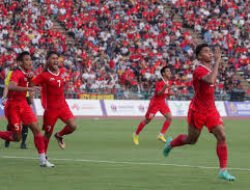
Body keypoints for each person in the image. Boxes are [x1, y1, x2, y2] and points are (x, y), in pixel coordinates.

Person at [163, 44, 235, 181]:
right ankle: (170, 144)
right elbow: (211, 80)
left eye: (210, 51)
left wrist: (217, 63)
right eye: (206, 51)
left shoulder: (209, 68)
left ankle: (223, 170)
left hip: (211, 110)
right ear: (199, 56)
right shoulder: (199, 71)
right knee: (191, 140)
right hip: (198, 110)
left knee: (222, 136)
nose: (210, 53)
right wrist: (218, 61)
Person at [0, 51, 54, 167]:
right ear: (20, 62)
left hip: (24, 105)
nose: (29, 62)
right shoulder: (16, 73)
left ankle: (43, 160)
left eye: (30, 59)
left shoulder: (29, 73)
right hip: (13, 107)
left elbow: (31, 85)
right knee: (16, 137)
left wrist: (32, 85)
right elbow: (11, 86)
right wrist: (28, 89)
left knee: (37, 130)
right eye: (26, 60)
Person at [31, 51, 77, 157]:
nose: (55, 60)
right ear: (47, 61)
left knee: (73, 126)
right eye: (53, 58)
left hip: (63, 106)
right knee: (47, 134)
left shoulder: (61, 72)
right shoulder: (43, 75)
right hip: (51, 109)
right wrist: (30, 90)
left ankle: (59, 135)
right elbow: (31, 83)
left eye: (57, 58)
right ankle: (44, 156)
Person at [133, 66, 173, 145]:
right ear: (163, 74)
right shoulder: (159, 82)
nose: (170, 72)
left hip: (162, 103)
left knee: (169, 117)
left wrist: (170, 94)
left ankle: (161, 135)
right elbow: (158, 94)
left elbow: (166, 93)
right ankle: (136, 134)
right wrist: (165, 87)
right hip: (154, 103)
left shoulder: (169, 82)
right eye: (168, 71)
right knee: (148, 120)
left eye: (170, 71)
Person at [2, 65, 31, 149]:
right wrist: (4, 97)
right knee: (12, 124)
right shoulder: (12, 73)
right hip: (14, 100)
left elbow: (29, 87)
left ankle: (23, 143)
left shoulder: (28, 73)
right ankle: (8, 139)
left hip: (25, 99)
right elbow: (7, 86)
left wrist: (30, 101)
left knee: (26, 123)